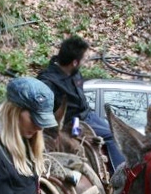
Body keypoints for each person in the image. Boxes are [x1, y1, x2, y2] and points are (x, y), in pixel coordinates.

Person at [37, 36, 125, 169]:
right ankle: (121, 174)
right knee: (112, 137)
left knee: (117, 130)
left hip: (89, 115)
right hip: (72, 122)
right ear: (74, 62)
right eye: (85, 59)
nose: (86, 62)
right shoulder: (48, 83)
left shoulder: (75, 73)